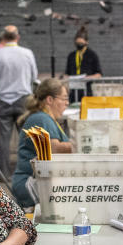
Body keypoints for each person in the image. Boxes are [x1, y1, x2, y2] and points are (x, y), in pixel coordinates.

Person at [0, 25, 38, 178]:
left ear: (3, 38)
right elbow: (34, 77)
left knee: (4, 141)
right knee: (26, 139)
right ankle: (26, 172)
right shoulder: (27, 53)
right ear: (17, 37)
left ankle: (4, 173)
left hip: (4, 101)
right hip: (24, 101)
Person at [10, 78, 74, 208]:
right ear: (49, 100)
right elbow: (54, 148)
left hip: (37, 181)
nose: (67, 103)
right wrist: (83, 147)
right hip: (30, 183)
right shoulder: (41, 118)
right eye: (64, 98)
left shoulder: (44, 118)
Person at [64, 26, 102, 102]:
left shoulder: (92, 55)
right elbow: (67, 73)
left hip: (87, 90)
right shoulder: (71, 55)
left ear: (86, 42)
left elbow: (99, 74)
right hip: (74, 90)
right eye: (77, 43)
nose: (79, 45)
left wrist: (86, 78)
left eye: (81, 43)